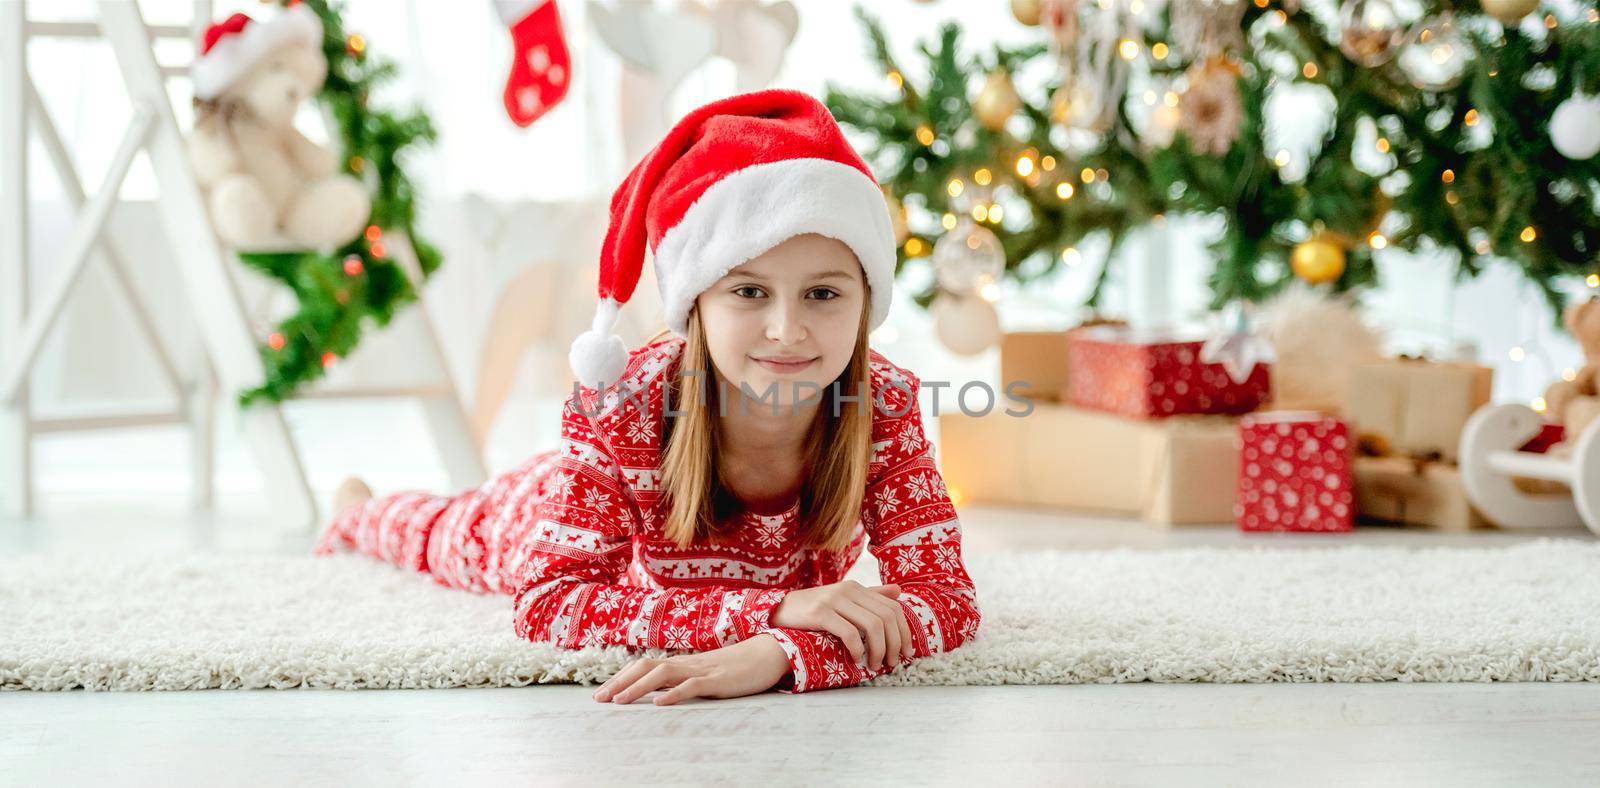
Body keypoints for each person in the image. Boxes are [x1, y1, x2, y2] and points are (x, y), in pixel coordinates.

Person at [314, 89, 980, 705]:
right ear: (696, 309)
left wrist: (783, 653)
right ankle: (358, 510)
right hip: (542, 513)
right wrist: (768, 611)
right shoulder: (622, 406)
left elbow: (946, 600)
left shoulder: (882, 405)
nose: (787, 329)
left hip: (692, 578)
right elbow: (551, 603)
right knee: (440, 533)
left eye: (824, 293)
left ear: (867, 303)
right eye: (749, 292)